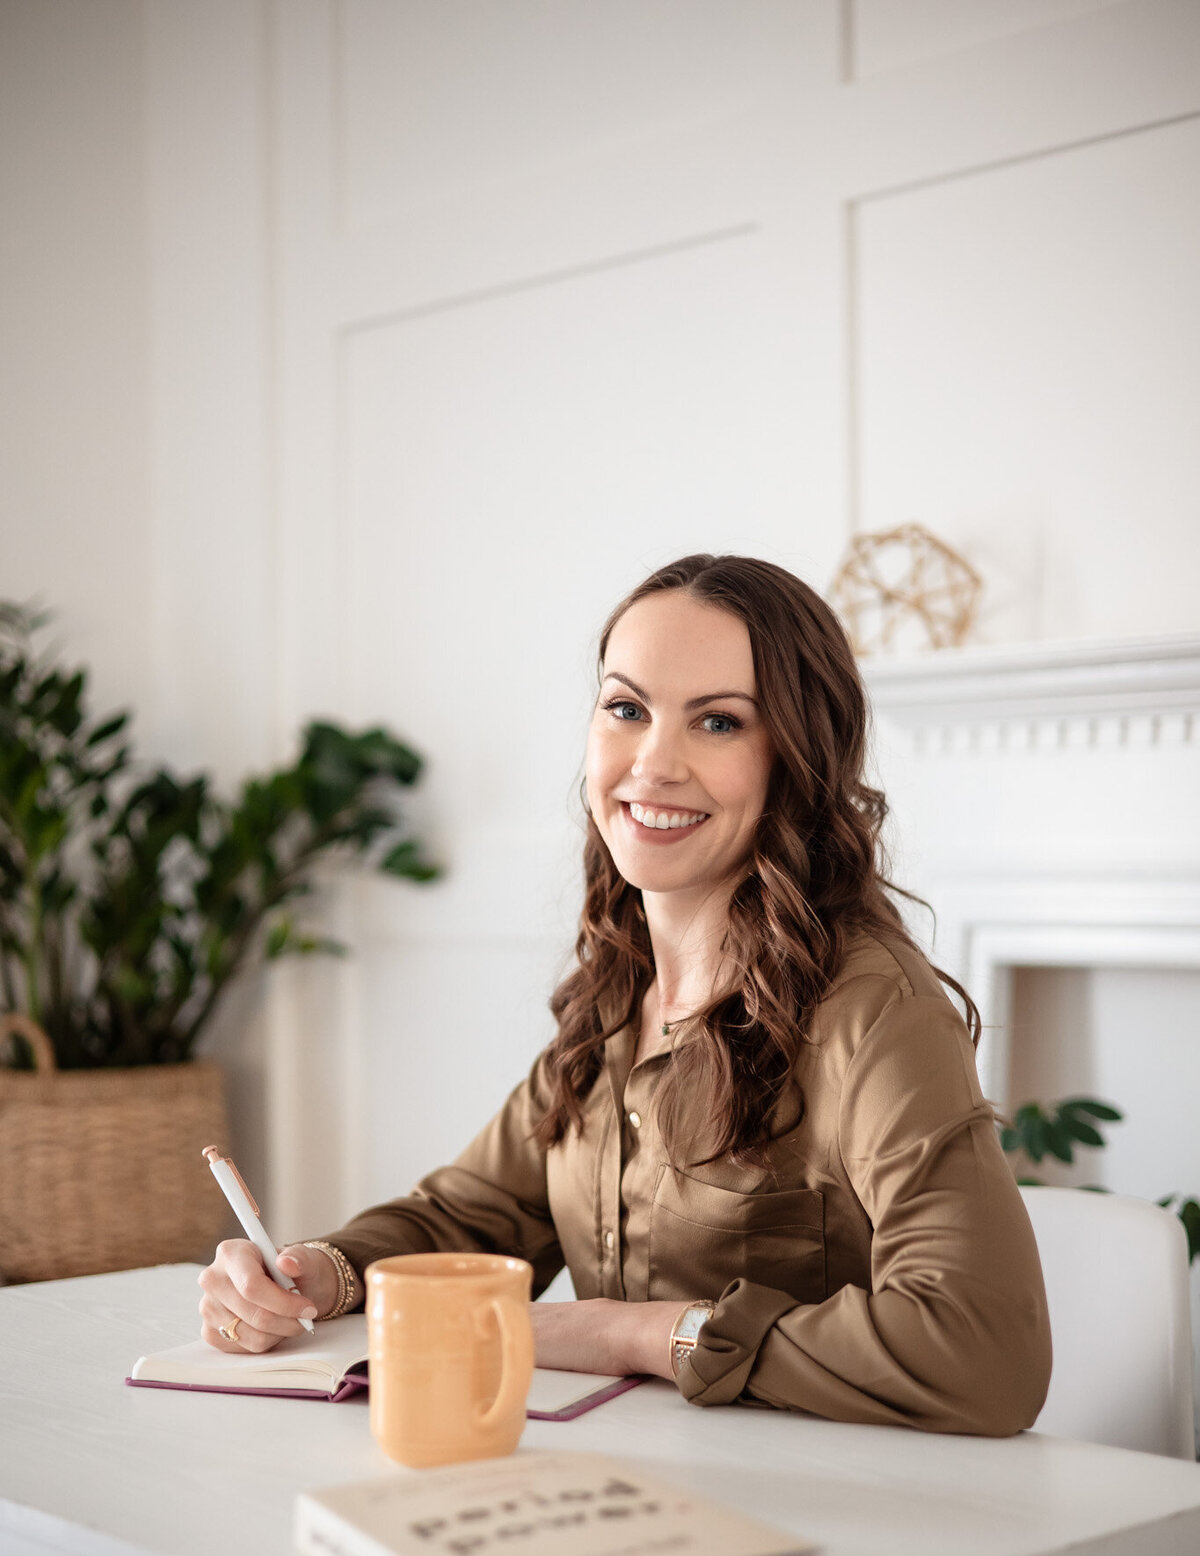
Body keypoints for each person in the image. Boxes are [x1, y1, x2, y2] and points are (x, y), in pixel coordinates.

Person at [198, 553, 1051, 1433]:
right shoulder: (618, 991)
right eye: (627, 708)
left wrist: (630, 1334)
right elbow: (472, 1214)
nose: (654, 762)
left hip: (831, 1521)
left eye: (718, 722)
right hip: (619, 1493)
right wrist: (311, 1274)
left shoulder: (877, 1014)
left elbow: (986, 1353)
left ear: (795, 758)